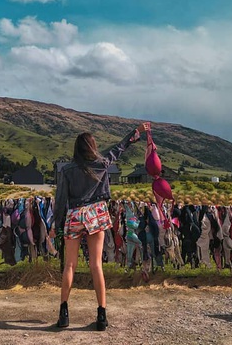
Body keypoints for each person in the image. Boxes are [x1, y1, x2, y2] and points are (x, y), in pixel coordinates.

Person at [53, 122, 149, 331]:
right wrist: (137, 132)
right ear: (92, 147)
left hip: (76, 214)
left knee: (70, 265)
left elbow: (60, 201)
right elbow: (120, 147)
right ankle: (102, 316)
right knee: (96, 265)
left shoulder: (67, 170)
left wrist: (56, 224)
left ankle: (64, 314)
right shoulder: (103, 163)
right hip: (97, 214)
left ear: (76, 149)